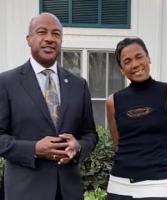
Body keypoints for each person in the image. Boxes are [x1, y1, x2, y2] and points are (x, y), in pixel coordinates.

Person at [0, 13, 98, 200]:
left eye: (56, 34)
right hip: (25, 191)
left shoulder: (79, 85)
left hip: (68, 191)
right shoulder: (6, 82)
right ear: (29, 39)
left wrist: (78, 146)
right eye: (42, 32)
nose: (49, 39)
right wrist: (34, 149)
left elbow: (90, 134)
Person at [106, 37, 167, 200]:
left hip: (156, 186)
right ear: (122, 69)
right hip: (118, 185)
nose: (135, 64)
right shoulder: (113, 102)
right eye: (127, 61)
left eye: (139, 56)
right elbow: (119, 143)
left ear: (148, 58)